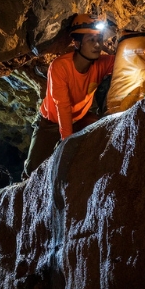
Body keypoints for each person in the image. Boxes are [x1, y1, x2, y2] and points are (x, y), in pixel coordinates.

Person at [22, 13, 116, 178]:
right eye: (91, 40)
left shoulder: (101, 63)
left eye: (99, 39)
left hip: (80, 118)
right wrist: (67, 142)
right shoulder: (60, 67)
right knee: (32, 171)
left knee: (99, 130)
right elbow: (62, 106)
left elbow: (127, 58)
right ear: (77, 43)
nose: (97, 45)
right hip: (50, 121)